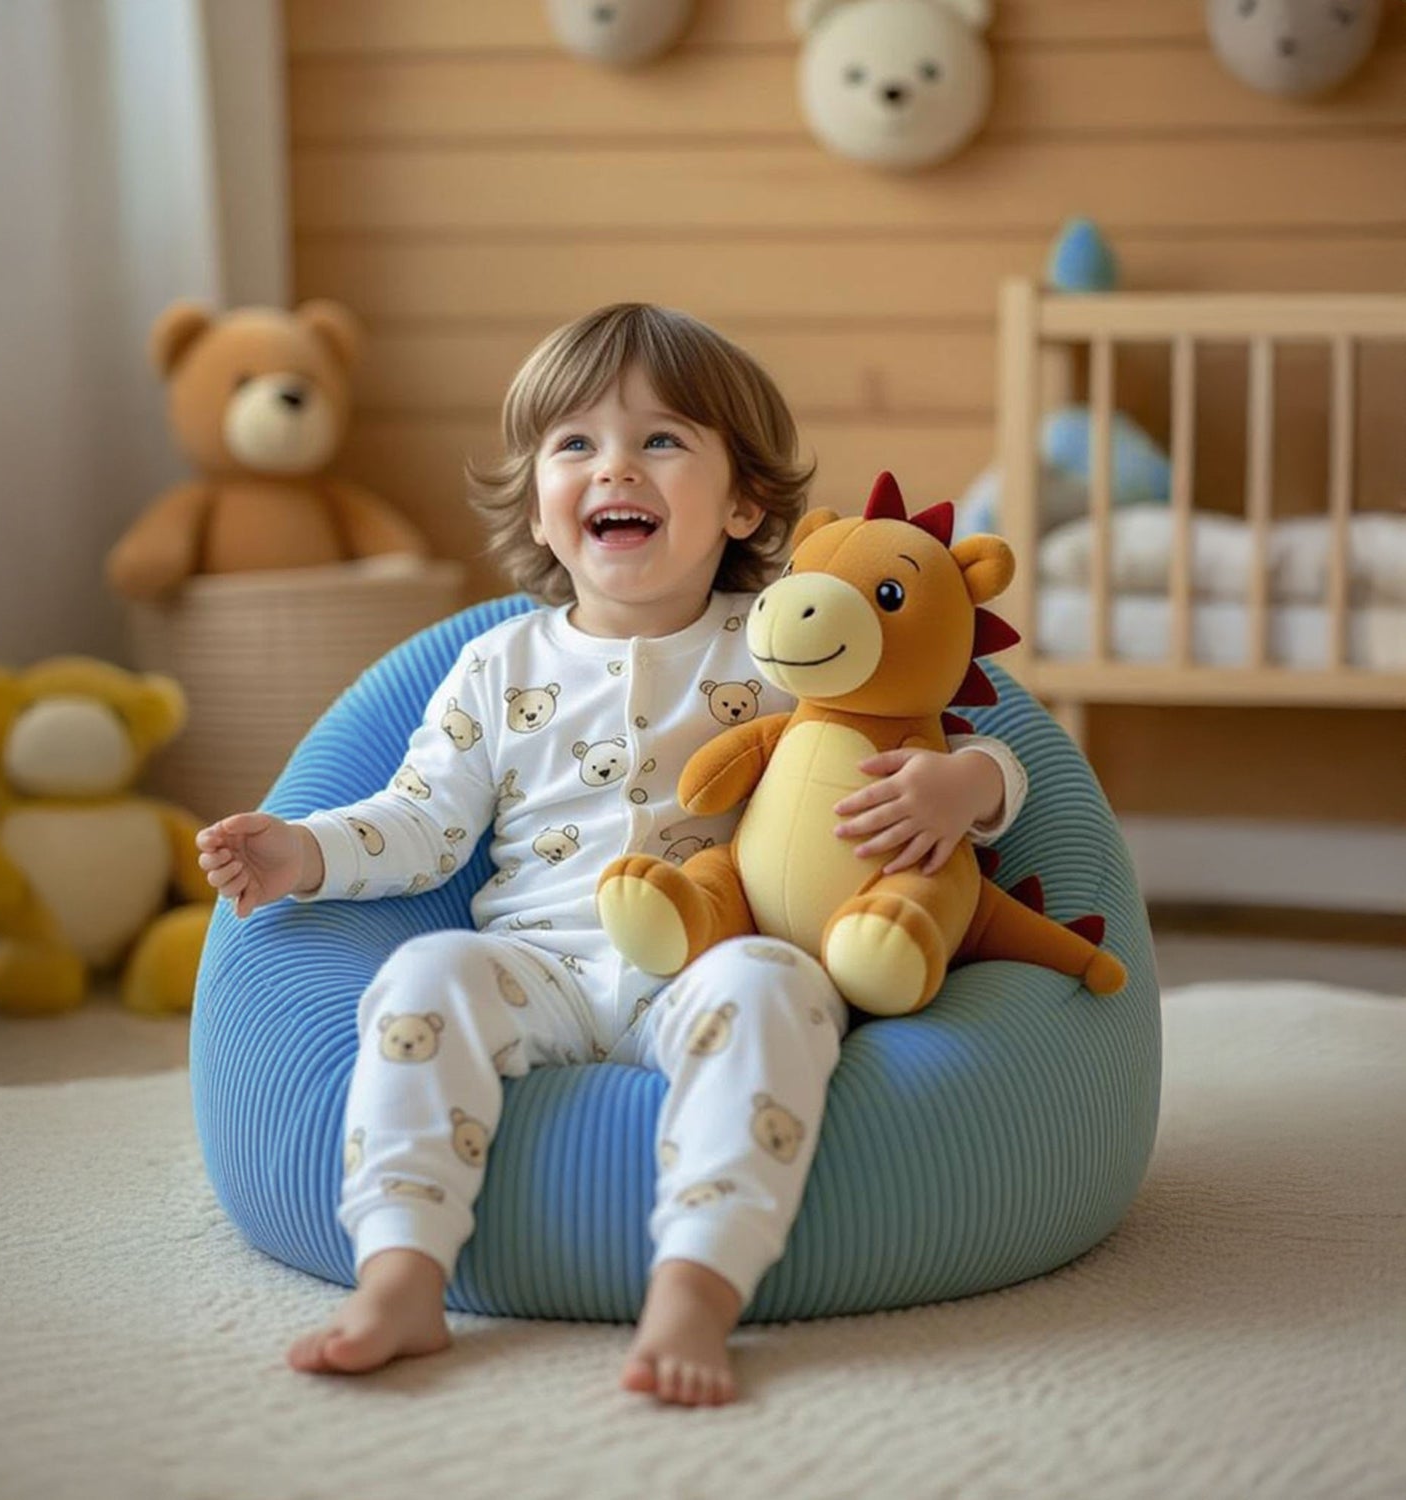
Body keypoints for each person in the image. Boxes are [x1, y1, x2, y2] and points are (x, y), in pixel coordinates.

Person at [195, 304, 1028, 1407]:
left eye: (661, 441)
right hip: (538, 965)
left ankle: (698, 1285)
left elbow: (927, 727)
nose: (613, 467)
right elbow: (419, 820)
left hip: (713, 951)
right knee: (421, 980)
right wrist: (301, 850)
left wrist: (972, 787)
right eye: (574, 444)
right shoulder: (497, 663)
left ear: (743, 502)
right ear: (539, 506)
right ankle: (400, 1270)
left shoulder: (786, 639)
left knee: (779, 989)